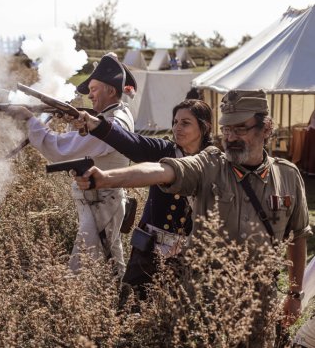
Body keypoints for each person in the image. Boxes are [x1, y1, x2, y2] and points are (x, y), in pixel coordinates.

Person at [74, 90, 311, 337]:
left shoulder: (288, 176)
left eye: (240, 128)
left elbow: (298, 236)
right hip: (207, 301)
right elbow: (162, 171)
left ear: (267, 128)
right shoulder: (210, 164)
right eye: (227, 129)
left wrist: (294, 294)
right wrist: (107, 178)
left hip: (260, 301)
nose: (230, 137)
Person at [73, 99, 213, 307]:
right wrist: (94, 123)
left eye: (185, 123)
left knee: (180, 310)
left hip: (189, 253)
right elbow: (132, 143)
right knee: (132, 304)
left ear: (204, 126)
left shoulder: (215, 161)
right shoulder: (163, 151)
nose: (177, 128)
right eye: (175, 122)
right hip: (149, 248)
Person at [8, 53, 136, 278]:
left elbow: (60, 150)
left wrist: (30, 120)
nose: (90, 95)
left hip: (102, 203)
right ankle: (123, 306)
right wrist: (75, 124)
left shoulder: (112, 123)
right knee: (113, 268)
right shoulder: (117, 115)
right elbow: (85, 145)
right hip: (103, 201)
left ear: (111, 90)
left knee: (80, 272)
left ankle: (88, 311)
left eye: (95, 89)